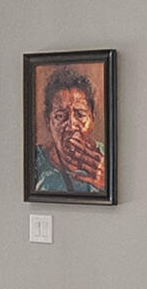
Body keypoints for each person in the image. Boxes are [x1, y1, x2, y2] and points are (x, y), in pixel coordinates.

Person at [31, 68, 108, 197]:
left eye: (80, 115)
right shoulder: (35, 159)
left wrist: (107, 182)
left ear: (92, 119)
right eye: (60, 116)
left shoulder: (106, 158)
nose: (71, 125)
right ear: (48, 121)